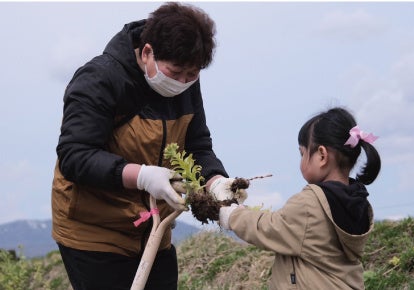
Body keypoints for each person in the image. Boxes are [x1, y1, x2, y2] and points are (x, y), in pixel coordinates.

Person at [51, 2, 246, 289]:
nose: (183, 82)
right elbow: (75, 156)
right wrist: (141, 176)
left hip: (154, 229)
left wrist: (216, 181)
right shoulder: (99, 80)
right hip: (94, 230)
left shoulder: (187, 83)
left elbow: (197, 145)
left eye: (192, 74)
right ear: (147, 52)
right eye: (176, 72)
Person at [218, 107, 381, 289]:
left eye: (302, 153)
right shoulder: (358, 202)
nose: (301, 160)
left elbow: (269, 228)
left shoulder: (310, 203)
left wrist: (232, 215)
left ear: (321, 155)